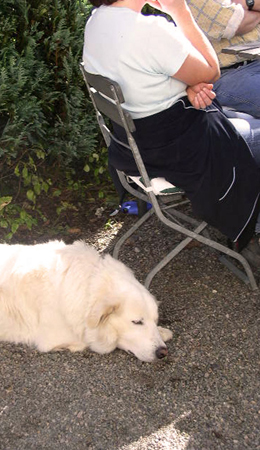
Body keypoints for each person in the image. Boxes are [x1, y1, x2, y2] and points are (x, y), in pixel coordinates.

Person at [83, 0, 260, 266]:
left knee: (245, 120)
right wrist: (180, 11)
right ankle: (251, 234)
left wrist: (188, 87)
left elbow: (145, 76)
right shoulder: (147, 29)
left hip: (136, 149)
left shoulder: (97, 22)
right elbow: (211, 71)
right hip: (179, 149)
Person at [186, 0, 260, 117]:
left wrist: (246, 4)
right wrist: (251, 3)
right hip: (227, 73)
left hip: (255, 60)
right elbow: (233, 22)